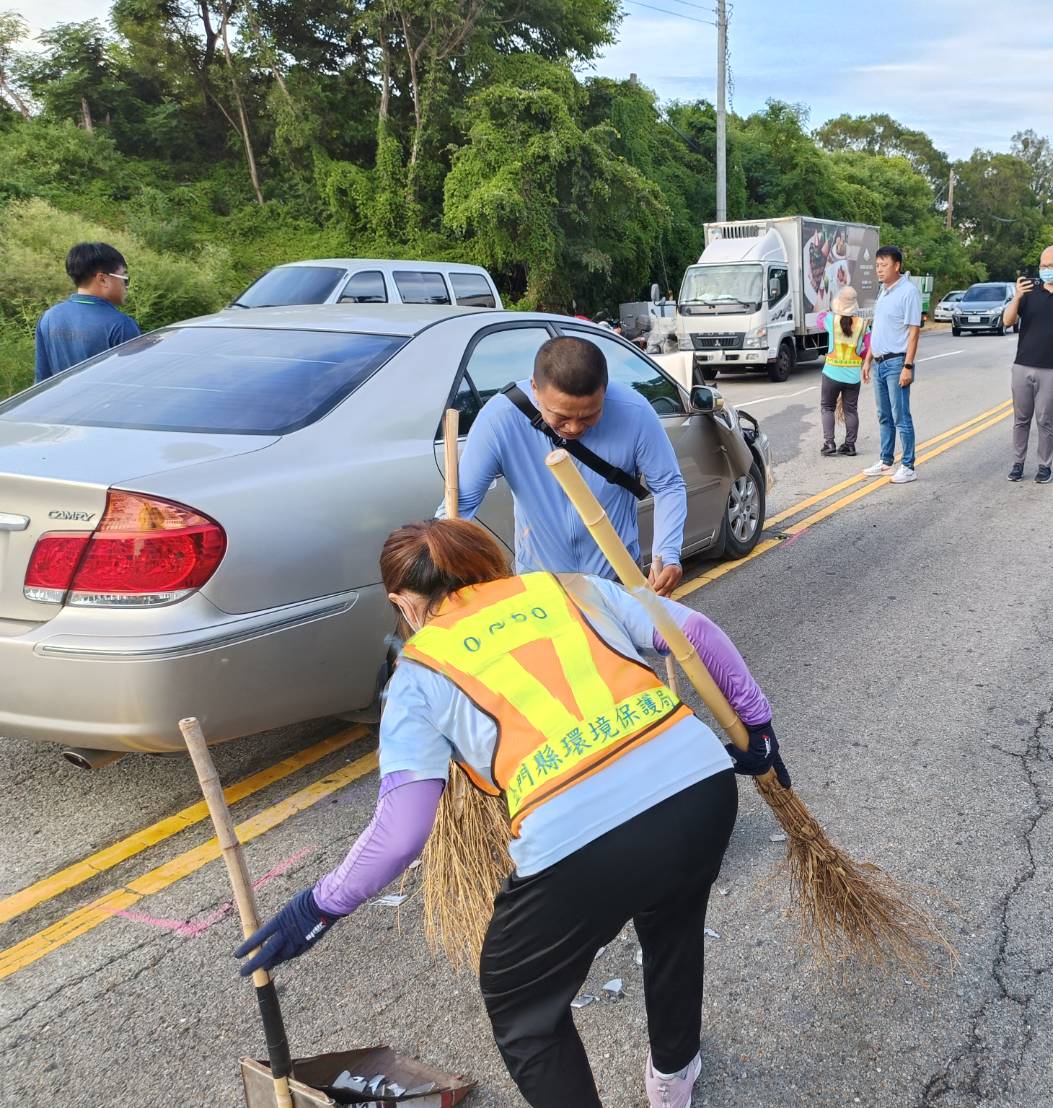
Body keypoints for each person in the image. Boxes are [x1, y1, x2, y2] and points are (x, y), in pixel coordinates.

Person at [235, 518, 786, 1108]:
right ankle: (674, 1077)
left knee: (522, 1001)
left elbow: (401, 833)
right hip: (697, 786)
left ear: (402, 602)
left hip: (579, 841)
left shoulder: (418, 673)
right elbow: (695, 633)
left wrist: (317, 907)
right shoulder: (567, 586)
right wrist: (756, 725)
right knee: (672, 920)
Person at [449, 335, 687, 596]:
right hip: (542, 587)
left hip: (618, 583)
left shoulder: (634, 412)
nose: (574, 428)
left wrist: (667, 553)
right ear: (535, 389)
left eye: (589, 416)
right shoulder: (499, 420)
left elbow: (668, 485)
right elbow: (458, 507)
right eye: (561, 417)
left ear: (604, 392)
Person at [1000, 245, 1053, 484]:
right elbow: (1007, 321)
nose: (1045, 270)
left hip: (1052, 368)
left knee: (1045, 419)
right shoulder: (1029, 293)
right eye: (1042, 266)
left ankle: (1044, 465)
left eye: (1051, 266)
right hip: (1023, 365)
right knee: (1021, 418)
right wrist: (1017, 296)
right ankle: (1018, 463)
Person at [33, 242, 141, 383]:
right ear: (102, 279)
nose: (127, 286)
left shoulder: (49, 317)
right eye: (124, 279)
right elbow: (136, 381)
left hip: (65, 404)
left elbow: (42, 381)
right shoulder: (121, 324)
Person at [860, 246, 922, 485]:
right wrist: (867, 360)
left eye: (883, 265)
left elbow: (914, 332)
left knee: (900, 416)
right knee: (883, 415)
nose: (879, 269)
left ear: (897, 265)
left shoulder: (909, 292)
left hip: (897, 362)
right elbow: (877, 329)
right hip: (879, 362)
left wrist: (908, 366)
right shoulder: (883, 292)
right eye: (877, 265)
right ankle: (886, 461)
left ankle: (908, 465)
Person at [818, 286, 870, 457]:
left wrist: (829, 310)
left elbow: (819, 319)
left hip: (832, 372)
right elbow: (868, 348)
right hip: (852, 375)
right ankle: (850, 445)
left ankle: (829, 442)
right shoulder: (863, 324)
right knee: (851, 410)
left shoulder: (831, 320)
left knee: (827, 407)